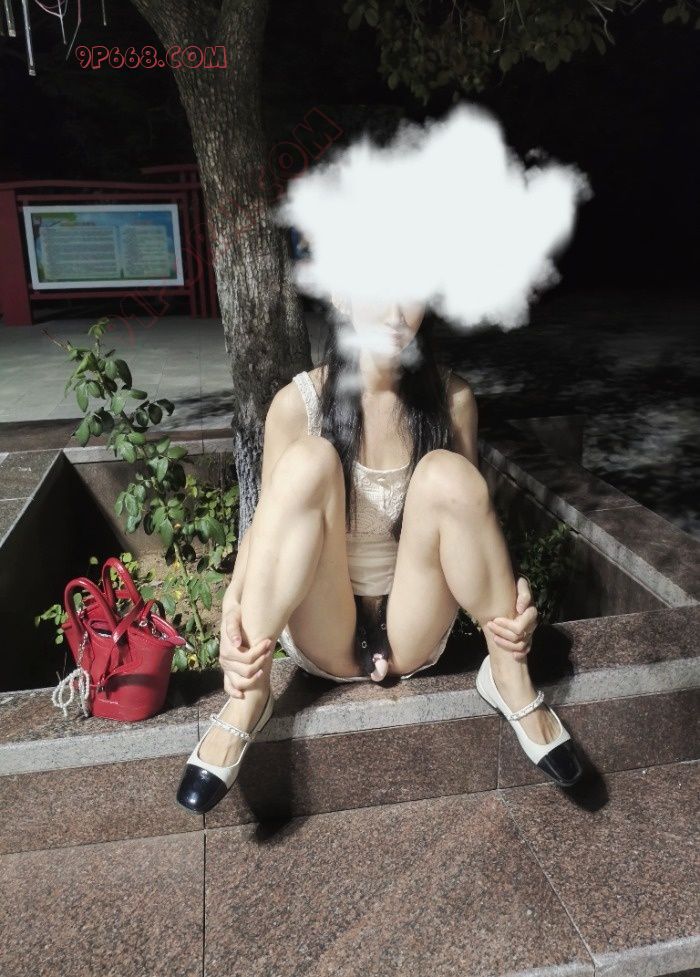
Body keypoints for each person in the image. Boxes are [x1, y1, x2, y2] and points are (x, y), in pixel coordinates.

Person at [177, 298, 583, 814]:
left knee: (449, 472)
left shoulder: (452, 398)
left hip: (413, 623)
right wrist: (233, 605)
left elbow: (467, 512)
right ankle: (247, 697)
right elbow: (265, 525)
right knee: (307, 462)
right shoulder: (297, 404)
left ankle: (508, 674)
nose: (395, 311)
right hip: (323, 621)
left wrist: (511, 587)